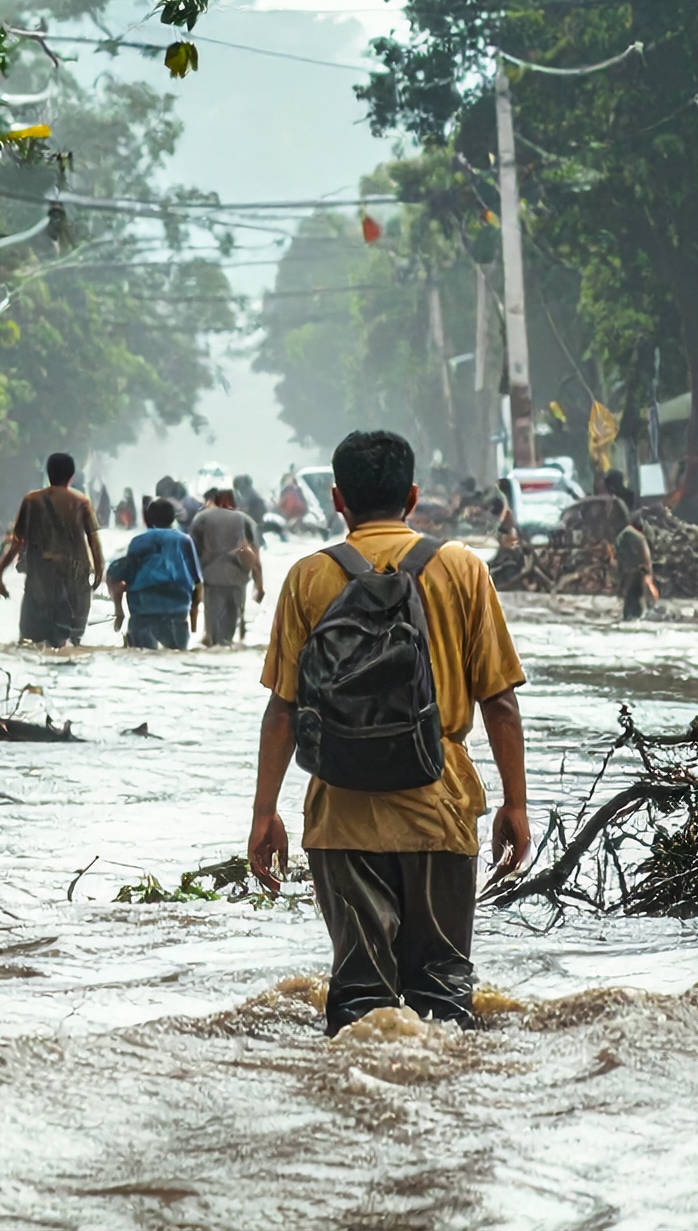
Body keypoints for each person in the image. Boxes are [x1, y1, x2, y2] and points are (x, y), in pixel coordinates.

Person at [248, 429, 529, 1036]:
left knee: (358, 997)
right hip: (440, 807)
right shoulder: (461, 568)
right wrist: (515, 803)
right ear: (412, 494)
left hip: (339, 813)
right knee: (443, 990)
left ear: (337, 498)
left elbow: (282, 711)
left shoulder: (307, 577)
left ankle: (358, 1107)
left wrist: (265, 812)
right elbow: (500, 702)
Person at [0, 453, 105, 647]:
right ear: (71, 476)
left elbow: (17, 542)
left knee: (30, 642)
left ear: (48, 472)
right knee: (71, 641)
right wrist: (99, 572)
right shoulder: (82, 503)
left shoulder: (31, 501)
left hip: (40, 580)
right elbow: (94, 541)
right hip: (75, 578)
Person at [107, 496, 202, 649]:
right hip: (176, 606)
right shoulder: (184, 540)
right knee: (177, 658)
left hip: (143, 606)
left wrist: (119, 610)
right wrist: (194, 617)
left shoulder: (138, 541)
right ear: (173, 518)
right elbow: (197, 580)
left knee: (142, 657)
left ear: (148, 518)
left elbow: (124, 574)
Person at [189, 487, 266, 646]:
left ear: (216, 501)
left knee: (212, 634)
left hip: (212, 580)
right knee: (235, 629)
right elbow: (255, 559)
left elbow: (191, 554)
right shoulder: (245, 520)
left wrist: (193, 587)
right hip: (238, 580)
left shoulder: (202, 518)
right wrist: (259, 586)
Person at [614, 514, 656, 621]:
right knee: (635, 598)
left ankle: (630, 618)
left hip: (629, 573)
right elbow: (646, 558)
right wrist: (649, 576)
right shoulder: (637, 536)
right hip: (637, 573)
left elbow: (617, 557)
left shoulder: (624, 535)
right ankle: (634, 618)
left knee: (630, 599)